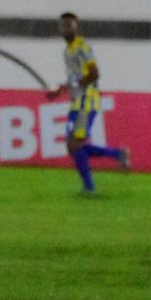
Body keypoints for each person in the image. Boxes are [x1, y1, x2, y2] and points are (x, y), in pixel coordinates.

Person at [47, 13, 130, 193]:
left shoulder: (82, 47)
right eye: (63, 25)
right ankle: (117, 155)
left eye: (69, 25)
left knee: (74, 145)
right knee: (73, 147)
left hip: (88, 98)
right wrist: (60, 90)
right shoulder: (67, 51)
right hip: (77, 100)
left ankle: (90, 187)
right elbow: (75, 77)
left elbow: (94, 73)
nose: (65, 29)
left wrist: (74, 85)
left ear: (77, 27)